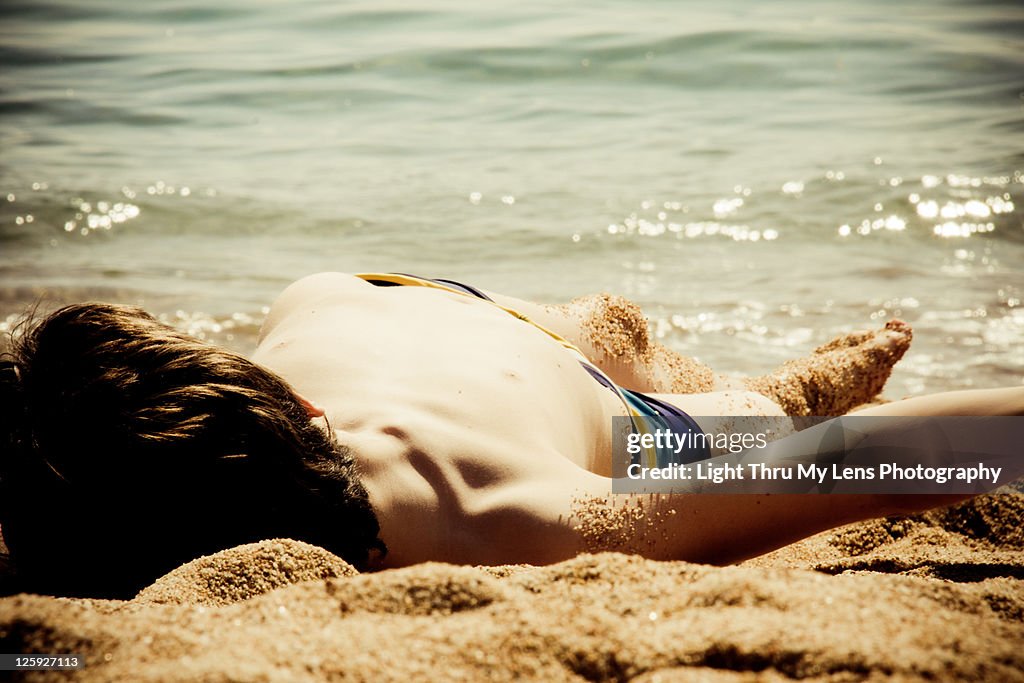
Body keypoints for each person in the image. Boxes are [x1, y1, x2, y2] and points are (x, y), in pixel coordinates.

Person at [0, 272, 1019, 598]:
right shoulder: (256, 395)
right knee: (610, 365)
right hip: (368, 286)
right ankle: (629, 350)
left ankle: (789, 383)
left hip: (588, 404)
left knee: (698, 441)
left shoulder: (505, 517)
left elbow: (876, 459)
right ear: (295, 409)